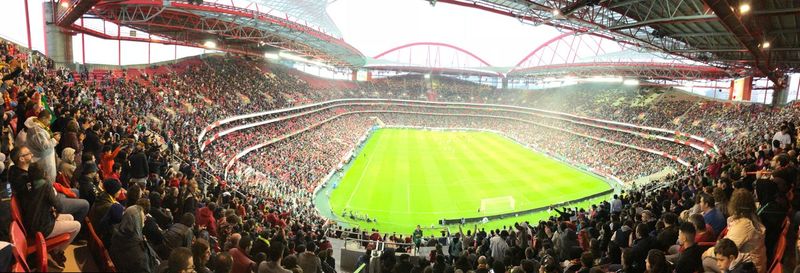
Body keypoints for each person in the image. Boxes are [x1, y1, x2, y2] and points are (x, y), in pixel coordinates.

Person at [15, 160, 80, 269]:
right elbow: (60, 207)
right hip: (42, 227)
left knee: (70, 217)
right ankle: (58, 251)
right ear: (44, 173)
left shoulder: (27, 184)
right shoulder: (46, 186)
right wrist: (54, 210)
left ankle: (56, 250)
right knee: (77, 225)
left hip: (32, 223)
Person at [702, 189, 767, 273]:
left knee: (706, 261)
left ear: (734, 204)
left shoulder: (743, 225)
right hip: (753, 263)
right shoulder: (752, 216)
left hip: (750, 268)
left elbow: (725, 249)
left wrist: (707, 252)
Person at [109, 202, 158, 273]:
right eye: (142, 218)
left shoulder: (116, 232)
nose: (145, 219)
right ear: (137, 223)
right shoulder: (140, 257)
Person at [24, 111, 60, 184]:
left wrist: (52, 136)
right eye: (49, 119)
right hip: (42, 160)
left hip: (45, 157)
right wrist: (54, 139)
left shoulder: (40, 126)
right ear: (43, 118)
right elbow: (43, 146)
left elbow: (44, 138)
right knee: (46, 179)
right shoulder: (36, 129)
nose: (49, 122)